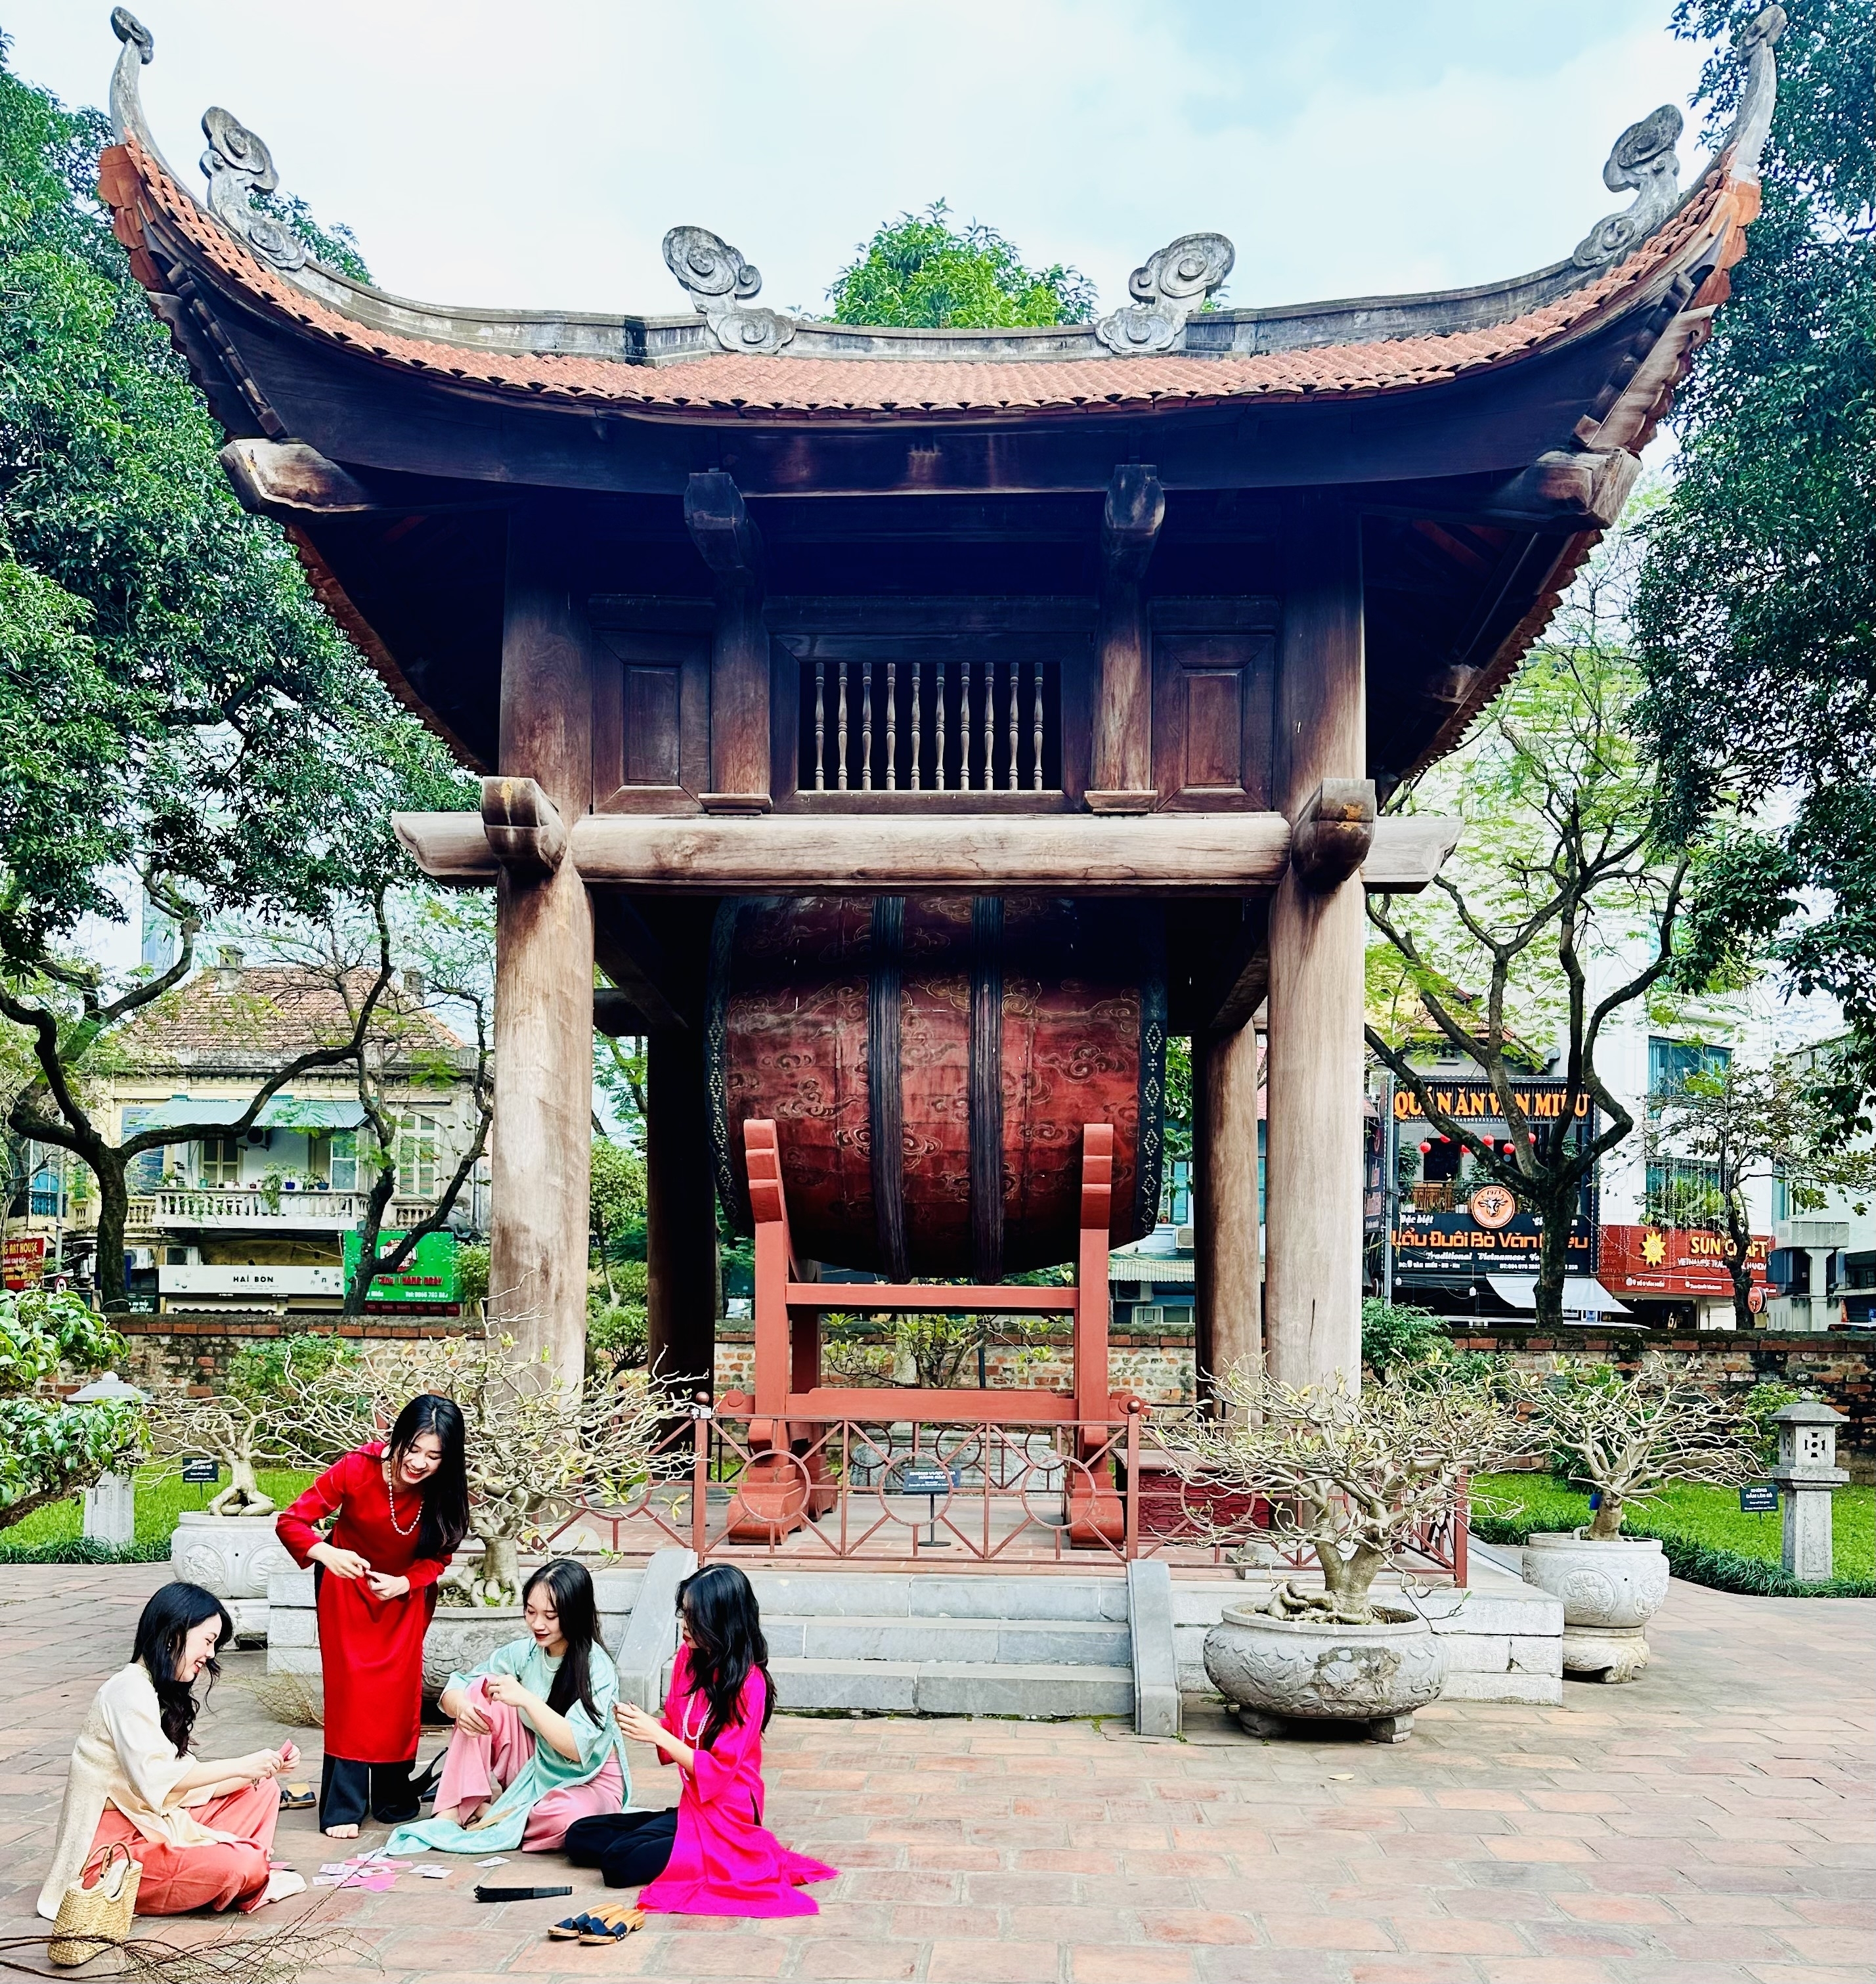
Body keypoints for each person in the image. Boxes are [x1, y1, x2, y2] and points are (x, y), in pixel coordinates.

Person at [563, 1563, 835, 1926]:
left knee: (617, 1865)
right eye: (684, 1614)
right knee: (580, 1836)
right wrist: (638, 1722)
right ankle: (674, 1834)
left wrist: (657, 1734)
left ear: (723, 1620)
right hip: (694, 1804)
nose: (685, 1626)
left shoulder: (749, 1684)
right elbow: (679, 1729)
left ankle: (707, 1848)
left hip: (730, 1813)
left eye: (695, 1617)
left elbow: (719, 1769)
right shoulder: (687, 1661)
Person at [37, 1583, 307, 1919]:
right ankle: (234, 1878)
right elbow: (161, 1780)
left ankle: (225, 1876)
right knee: (245, 1863)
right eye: (208, 1641)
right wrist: (242, 1764)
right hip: (110, 1860)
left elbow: (183, 1787)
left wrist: (257, 1770)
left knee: (261, 1789)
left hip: (155, 1823)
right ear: (175, 1633)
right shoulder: (128, 1690)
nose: (210, 1655)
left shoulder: (150, 1687)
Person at [275, 1393, 468, 1837]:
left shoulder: (444, 1491)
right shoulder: (355, 1469)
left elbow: (441, 1556)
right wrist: (327, 1552)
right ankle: (343, 1805)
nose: (419, 1463)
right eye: (413, 1448)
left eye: (434, 1455)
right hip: (345, 1590)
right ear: (397, 1438)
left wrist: (405, 1582)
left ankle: (392, 1799)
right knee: (352, 1693)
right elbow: (291, 1521)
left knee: (398, 1696)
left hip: (402, 1596)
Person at [385, 1558, 628, 1856]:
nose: (538, 1624)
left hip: (588, 1781)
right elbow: (455, 1687)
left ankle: (500, 1814)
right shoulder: (524, 1653)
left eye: (551, 1616)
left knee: (568, 1816)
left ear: (574, 1614)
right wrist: (462, 1706)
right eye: (531, 1612)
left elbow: (577, 1748)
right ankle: (452, 1810)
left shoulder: (597, 1667)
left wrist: (525, 1698)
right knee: (480, 1690)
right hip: (535, 1769)